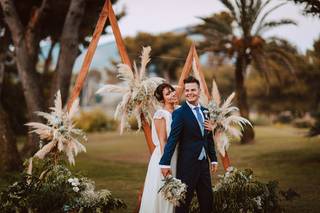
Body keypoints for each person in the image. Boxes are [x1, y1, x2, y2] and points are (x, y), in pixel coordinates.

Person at [159, 76, 218, 213]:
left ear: (199, 91)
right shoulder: (179, 113)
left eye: (193, 89)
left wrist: (213, 158)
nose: (190, 92)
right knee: (183, 203)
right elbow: (172, 139)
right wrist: (164, 163)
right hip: (187, 165)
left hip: (203, 164)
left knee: (207, 200)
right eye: (187, 90)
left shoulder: (205, 111)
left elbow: (207, 137)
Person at [139, 83, 178, 213]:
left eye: (172, 90)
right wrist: (165, 163)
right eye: (167, 93)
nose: (172, 94)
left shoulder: (180, 110)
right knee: (164, 188)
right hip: (164, 155)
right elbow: (163, 140)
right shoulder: (161, 114)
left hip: (179, 154)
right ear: (162, 99)